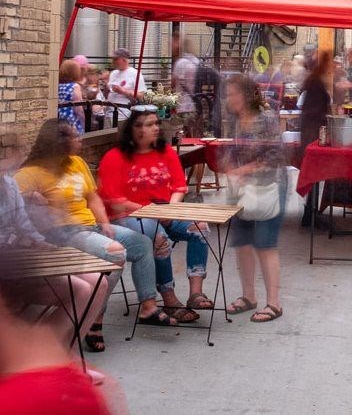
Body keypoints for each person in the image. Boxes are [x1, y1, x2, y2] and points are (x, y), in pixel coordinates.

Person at [15, 119, 175, 353]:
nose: (80, 139)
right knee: (115, 252)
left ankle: (148, 306)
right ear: (59, 142)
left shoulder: (76, 163)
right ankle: (94, 318)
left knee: (140, 244)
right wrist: (32, 200)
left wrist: (103, 222)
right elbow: (14, 210)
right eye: (75, 136)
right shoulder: (30, 173)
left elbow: (93, 198)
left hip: (90, 227)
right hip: (60, 234)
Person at [0, 134, 108, 368]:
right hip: (9, 266)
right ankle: (45, 358)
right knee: (80, 288)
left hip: (20, 259)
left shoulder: (8, 184)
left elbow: (23, 226)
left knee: (98, 282)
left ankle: (61, 353)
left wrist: (41, 244)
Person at [97, 106, 212, 322]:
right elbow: (116, 201)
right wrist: (155, 213)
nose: (156, 128)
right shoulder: (114, 157)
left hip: (165, 210)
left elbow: (179, 187)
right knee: (158, 238)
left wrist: (169, 209)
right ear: (135, 129)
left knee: (200, 227)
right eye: (150, 124)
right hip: (131, 215)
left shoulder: (166, 152)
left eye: (156, 124)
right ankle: (169, 300)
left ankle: (196, 292)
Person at [223, 75, 286, 324]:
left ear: (248, 96)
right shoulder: (236, 118)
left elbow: (275, 155)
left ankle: (274, 303)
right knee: (242, 242)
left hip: (270, 185)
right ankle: (249, 296)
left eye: (234, 94)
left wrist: (244, 170)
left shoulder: (266, 119)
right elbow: (234, 148)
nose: (230, 99)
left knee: (265, 243)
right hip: (243, 189)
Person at [298, 50, 332, 228]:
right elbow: (314, 110)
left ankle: (310, 211)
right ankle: (310, 213)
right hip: (313, 133)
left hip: (311, 131)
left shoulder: (314, 81)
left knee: (315, 173)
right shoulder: (316, 83)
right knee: (315, 172)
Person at [105, 48, 146, 122]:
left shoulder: (135, 74)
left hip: (123, 114)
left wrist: (123, 91)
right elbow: (109, 90)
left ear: (124, 60)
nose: (113, 61)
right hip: (109, 113)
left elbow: (141, 96)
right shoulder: (113, 73)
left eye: (116, 59)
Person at [58, 59, 86, 135]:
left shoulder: (58, 86)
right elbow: (78, 109)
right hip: (72, 122)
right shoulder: (75, 86)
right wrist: (83, 122)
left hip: (59, 120)